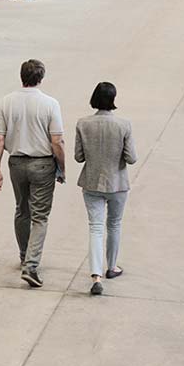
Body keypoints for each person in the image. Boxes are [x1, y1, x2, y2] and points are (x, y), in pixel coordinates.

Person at [0, 59, 65, 288]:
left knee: (22, 210)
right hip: (42, 164)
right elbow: (57, 141)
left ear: (21, 76)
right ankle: (31, 266)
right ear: (41, 78)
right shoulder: (50, 104)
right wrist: (61, 167)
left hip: (16, 164)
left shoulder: (6, 102)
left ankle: (24, 255)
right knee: (40, 216)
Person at [75, 81, 137, 296]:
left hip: (92, 182)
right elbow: (131, 158)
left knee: (95, 227)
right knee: (114, 224)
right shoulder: (124, 125)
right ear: (113, 99)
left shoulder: (83, 124)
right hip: (117, 183)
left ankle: (96, 275)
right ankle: (111, 267)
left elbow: (78, 156)